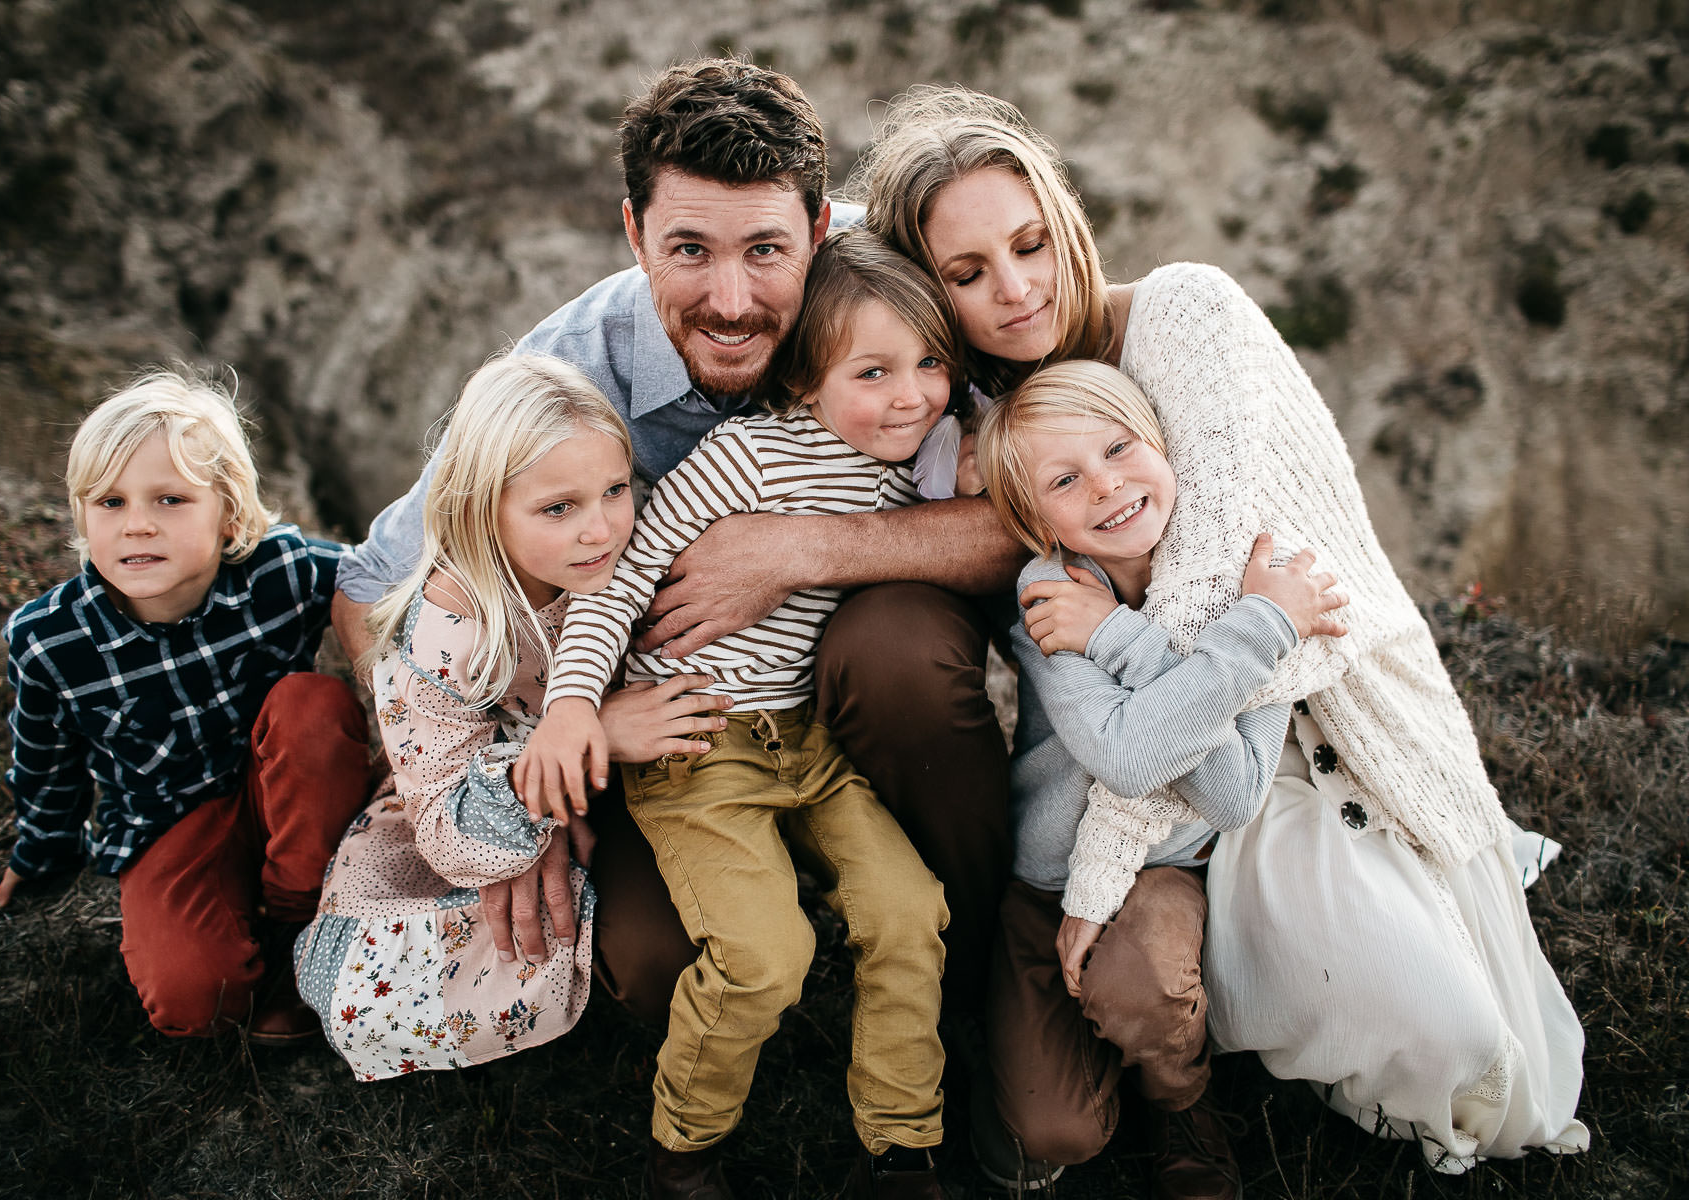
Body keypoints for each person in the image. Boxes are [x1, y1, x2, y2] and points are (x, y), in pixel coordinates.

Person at [857, 86, 1588, 1190]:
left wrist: (1100, 875)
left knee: (1456, 1043)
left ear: (1067, 220)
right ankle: (1118, 1027)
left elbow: (1208, 614)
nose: (1014, 289)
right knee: (1042, 1137)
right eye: (966, 273)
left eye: (1030, 243)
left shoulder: (1184, 314)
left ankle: (1217, 1032)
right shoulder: (978, 438)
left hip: (1287, 726)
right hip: (1156, 770)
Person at [331, 59, 1022, 1033]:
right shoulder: (569, 368)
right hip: (674, 725)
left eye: (767, 251)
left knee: (898, 646)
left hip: (860, 667)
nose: (731, 300)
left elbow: (1036, 515)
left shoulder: (897, 289)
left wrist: (799, 551)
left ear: (822, 229)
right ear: (634, 232)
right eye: (689, 249)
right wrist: (532, 780)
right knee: (655, 963)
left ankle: (990, 963)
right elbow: (370, 588)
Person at [518, 230, 955, 1200]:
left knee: (907, 910)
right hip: (695, 743)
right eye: (873, 371)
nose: (911, 395)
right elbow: (618, 578)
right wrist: (574, 704)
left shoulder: (912, 468)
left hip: (809, 743)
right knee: (766, 956)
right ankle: (684, 1148)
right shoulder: (745, 457)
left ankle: (901, 1146)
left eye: (931, 362)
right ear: (804, 381)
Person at [970, 360, 1347, 1197]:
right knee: (1051, 1132)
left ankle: (1179, 1096)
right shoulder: (1053, 589)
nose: (1106, 486)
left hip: (1166, 865)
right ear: (1036, 520)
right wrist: (1242, 644)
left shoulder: (1253, 584)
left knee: (1140, 982)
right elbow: (1125, 755)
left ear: (1162, 443)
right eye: (1064, 480)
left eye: (1118, 449)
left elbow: (1233, 794)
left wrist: (1127, 636)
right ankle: (1081, 1049)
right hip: (1047, 876)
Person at [296, 354, 699, 1080]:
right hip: (483, 808)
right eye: (558, 508)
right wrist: (591, 739)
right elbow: (444, 822)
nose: (601, 530)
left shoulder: (638, 551)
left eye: (615, 490)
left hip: (632, 793)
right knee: (379, 988)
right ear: (482, 508)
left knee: (681, 934)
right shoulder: (448, 629)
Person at [0, 366, 372, 1040]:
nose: (138, 525)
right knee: (196, 1003)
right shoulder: (50, 640)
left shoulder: (281, 571)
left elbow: (381, 575)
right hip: (168, 823)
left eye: (170, 500)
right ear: (82, 514)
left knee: (311, 704)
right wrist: (41, 850)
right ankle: (238, 941)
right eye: (110, 502)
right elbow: (46, 762)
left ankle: (301, 916)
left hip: (285, 792)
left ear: (229, 514)